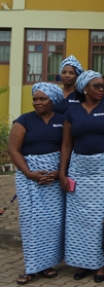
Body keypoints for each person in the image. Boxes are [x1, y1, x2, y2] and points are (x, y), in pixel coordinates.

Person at [59, 70, 104, 284]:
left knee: (101, 218)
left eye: (102, 86)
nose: (101, 89)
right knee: (79, 219)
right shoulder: (72, 112)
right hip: (79, 168)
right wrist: (62, 173)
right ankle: (82, 262)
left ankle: (101, 263)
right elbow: (67, 144)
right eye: (97, 86)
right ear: (84, 88)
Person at [8, 83, 65, 285]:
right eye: (35, 99)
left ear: (53, 101)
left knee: (52, 223)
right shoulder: (24, 120)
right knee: (32, 222)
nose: (37, 103)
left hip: (55, 179)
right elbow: (13, 150)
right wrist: (30, 174)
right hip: (30, 178)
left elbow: (68, 148)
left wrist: (59, 173)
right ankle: (31, 268)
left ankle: (46, 264)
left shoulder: (62, 120)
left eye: (43, 99)